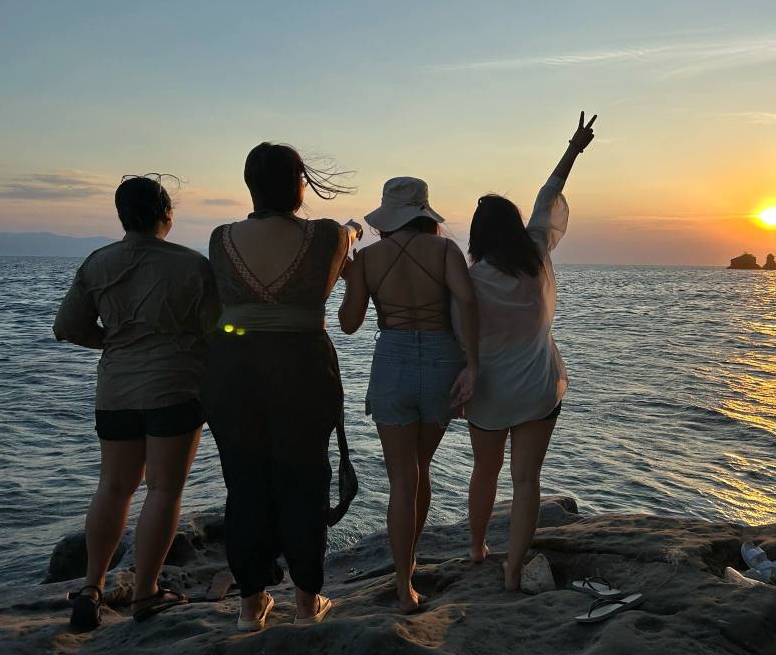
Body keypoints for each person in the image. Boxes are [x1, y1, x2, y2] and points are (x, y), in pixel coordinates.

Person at [203, 143, 360, 631]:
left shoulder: (219, 237)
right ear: (300, 184)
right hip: (302, 365)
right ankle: (308, 601)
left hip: (231, 368)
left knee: (244, 483)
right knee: (305, 478)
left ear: (250, 185)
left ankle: (251, 607)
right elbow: (344, 243)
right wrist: (354, 231)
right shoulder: (328, 234)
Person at [53, 175, 219, 631]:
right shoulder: (191, 265)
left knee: (114, 487)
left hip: (116, 390)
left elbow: (66, 327)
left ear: (121, 216)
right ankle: (146, 591)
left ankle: (90, 587)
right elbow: (215, 331)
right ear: (167, 213)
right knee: (163, 489)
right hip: (175, 388)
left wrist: (115, 341)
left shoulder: (97, 263)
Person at [457, 112, 597, 591]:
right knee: (526, 481)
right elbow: (547, 192)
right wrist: (574, 147)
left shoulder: (470, 281)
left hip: (490, 392)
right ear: (514, 229)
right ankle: (513, 570)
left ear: (478, 235)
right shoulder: (536, 254)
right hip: (538, 386)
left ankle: (477, 549)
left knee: (485, 470)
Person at [338, 176, 478, 613]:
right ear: (424, 212)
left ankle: (403, 584)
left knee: (402, 479)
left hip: (392, 360)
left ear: (387, 217)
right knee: (421, 468)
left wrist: (349, 278)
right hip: (442, 359)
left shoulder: (368, 258)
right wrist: (474, 365)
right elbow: (468, 303)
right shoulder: (446, 251)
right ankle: (411, 560)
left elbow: (348, 323)